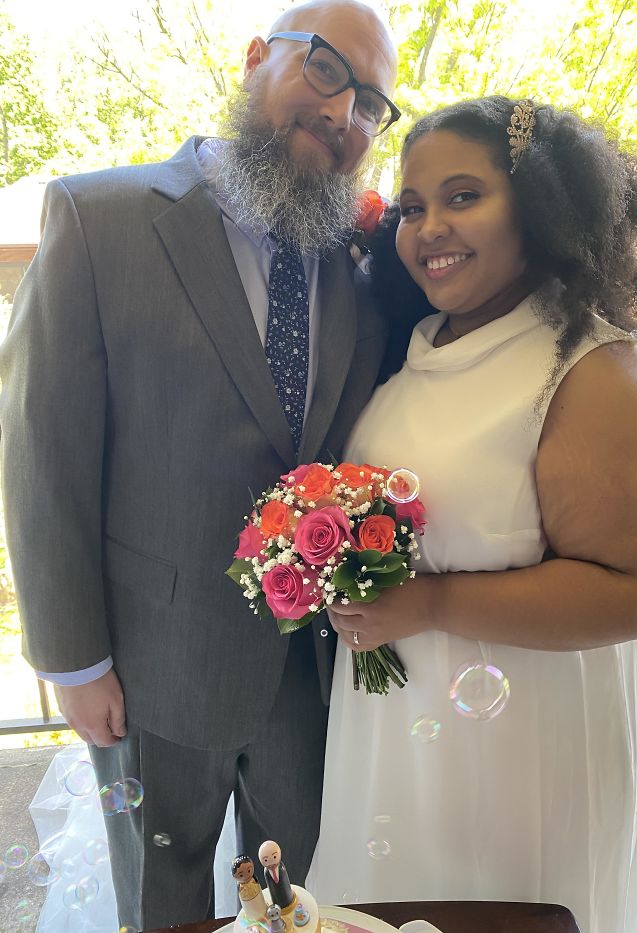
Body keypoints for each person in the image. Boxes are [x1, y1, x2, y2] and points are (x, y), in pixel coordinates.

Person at [0, 1, 398, 928]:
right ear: (259, 56)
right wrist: (74, 657)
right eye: (330, 71)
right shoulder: (97, 218)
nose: (347, 116)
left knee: (305, 900)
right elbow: (42, 455)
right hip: (151, 666)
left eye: (375, 103)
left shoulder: (358, 258)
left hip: (311, 670)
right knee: (163, 900)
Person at [307, 97, 637, 933]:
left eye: (462, 196)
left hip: (527, 754)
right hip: (403, 734)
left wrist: (428, 603)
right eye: (412, 207)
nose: (428, 227)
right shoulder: (427, 344)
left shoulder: (594, 372)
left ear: (539, 206)